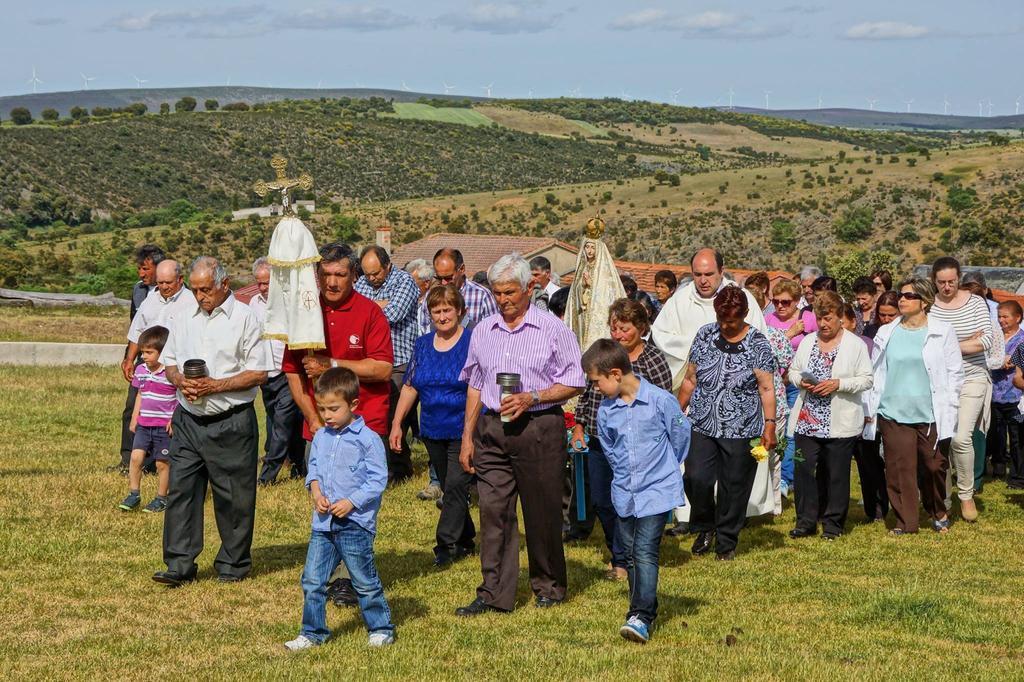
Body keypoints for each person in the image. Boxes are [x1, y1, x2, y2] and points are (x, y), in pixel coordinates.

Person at [454, 254, 585, 616]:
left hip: (538, 426)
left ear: (530, 288)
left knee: (541, 511)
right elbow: (476, 385)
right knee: (493, 512)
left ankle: (549, 585)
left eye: (510, 292)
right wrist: (468, 436)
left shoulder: (552, 328)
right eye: (497, 293)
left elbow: (575, 380)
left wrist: (535, 396)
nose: (503, 300)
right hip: (493, 428)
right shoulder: (483, 330)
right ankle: (493, 592)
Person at [154, 256, 271, 586]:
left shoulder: (245, 318)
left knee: (233, 496)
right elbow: (170, 362)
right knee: (182, 491)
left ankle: (233, 564)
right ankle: (179, 564)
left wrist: (215, 385)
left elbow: (259, 372)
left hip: (230, 420)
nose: (199, 296)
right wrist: (180, 382)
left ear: (224, 284)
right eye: (194, 290)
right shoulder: (182, 317)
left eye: (205, 289)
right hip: (189, 419)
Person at [583, 339, 690, 644]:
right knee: (629, 553)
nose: (594, 389)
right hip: (624, 492)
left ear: (615, 373)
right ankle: (639, 607)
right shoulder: (606, 410)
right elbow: (608, 444)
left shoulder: (660, 401)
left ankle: (642, 615)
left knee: (645, 550)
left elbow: (680, 436)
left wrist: (665, 468)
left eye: (596, 381)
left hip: (656, 489)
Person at [284, 368, 395, 651]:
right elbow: (315, 469)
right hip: (323, 524)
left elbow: (378, 479)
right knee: (312, 580)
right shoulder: (321, 437)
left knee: (364, 580)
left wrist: (351, 502)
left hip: (354, 524)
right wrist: (316, 492)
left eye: (334, 408)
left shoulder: (367, 439)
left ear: (353, 405)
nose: (327, 415)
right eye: (322, 409)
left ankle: (381, 628)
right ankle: (312, 632)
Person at [571, 299, 673, 573]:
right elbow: (587, 395)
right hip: (598, 440)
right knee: (603, 501)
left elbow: (664, 404)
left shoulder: (652, 360)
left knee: (632, 502)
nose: (618, 334)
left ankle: (630, 558)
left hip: (636, 447)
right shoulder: (604, 356)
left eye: (624, 328)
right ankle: (619, 552)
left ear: (640, 327)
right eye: (614, 328)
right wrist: (579, 427)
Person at [676, 287, 778, 560]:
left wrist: (770, 425)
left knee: (735, 486)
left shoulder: (758, 343)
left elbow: (766, 388)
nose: (725, 326)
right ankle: (705, 525)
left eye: (731, 321)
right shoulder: (705, 335)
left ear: (744, 315)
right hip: (702, 422)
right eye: (721, 319)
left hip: (742, 427)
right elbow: (690, 379)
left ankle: (726, 541)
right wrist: (676, 413)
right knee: (696, 477)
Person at [865, 276, 962, 535]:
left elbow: (955, 373)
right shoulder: (887, 332)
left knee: (934, 466)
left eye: (909, 296)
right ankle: (906, 522)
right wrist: (871, 407)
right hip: (893, 411)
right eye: (901, 295)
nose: (902, 300)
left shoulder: (943, 330)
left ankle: (937, 509)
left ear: (925, 301)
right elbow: (876, 372)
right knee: (899, 468)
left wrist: (951, 408)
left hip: (931, 412)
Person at [390, 285, 476, 567]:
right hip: (431, 429)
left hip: (463, 429)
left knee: (453, 486)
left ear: (460, 311)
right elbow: (411, 385)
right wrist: (397, 423)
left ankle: (446, 545)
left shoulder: (473, 341)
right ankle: (466, 538)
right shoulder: (423, 345)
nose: (442, 316)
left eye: (447, 310)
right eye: (436, 311)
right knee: (453, 488)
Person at [786, 292, 873, 540]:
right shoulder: (807, 342)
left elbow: (867, 379)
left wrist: (838, 383)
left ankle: (833, 524)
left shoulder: (854, 345)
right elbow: (792, 371)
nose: (823, 324)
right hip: (807, 419)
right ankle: (805, 521)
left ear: (840, 318)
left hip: (840, 421)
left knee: (836, 473)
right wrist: (800, 380)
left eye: (828, 318)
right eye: (819, 318)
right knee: (804, 471)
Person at [929, 257, 992, 521]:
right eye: (941, 282)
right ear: (934, 281)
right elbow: (927, 344)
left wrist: (948, 344)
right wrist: (964, 341)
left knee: (961, 438)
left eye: (951, 281)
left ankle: (966, 495)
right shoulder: (929, 307)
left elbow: (986, 340)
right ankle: (942, 498)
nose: (946, 287)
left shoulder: (976, 303)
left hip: (973, 377)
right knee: (941, 440)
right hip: (940, 381)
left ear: (959, 278)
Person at [652, 248, 767, 390]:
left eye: (709, 274)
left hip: (735, 388)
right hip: (691, 388)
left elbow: (758, 343)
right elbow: (660, 336)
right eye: (698, 274)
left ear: (721, 271)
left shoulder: (742, 299)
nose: (703, 281)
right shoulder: (679, 300)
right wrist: (697, 347)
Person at [355, 245, 421, 485]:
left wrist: (370, 309)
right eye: (367, 274)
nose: (371, 279)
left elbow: (393, 313)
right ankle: (376, 467)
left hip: (399, 361)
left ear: (388, 266)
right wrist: (378, 305)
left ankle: (399, 471)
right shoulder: (362, 283)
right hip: (370, 361)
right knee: (371, 417)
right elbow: (354, 313)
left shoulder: (405, 282)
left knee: (394, 418)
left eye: (376, 274)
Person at [250, 258, 306, 485]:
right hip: (266, 373)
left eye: (267, 283)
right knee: (283, 422)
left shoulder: (288, 301)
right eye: (259, 283)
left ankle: (267, 476)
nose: (263, 288)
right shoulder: (253, 304)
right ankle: (299, 466)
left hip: (288, 372)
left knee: (281, 425)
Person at [115, 244, 165, 474]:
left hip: (166, 361)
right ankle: (128, 458)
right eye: (139, 268)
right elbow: (135, 328)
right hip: (142, 359)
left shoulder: (181, 293)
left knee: (160, 410)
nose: (141, 274)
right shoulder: (138, 291)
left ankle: (156, 460)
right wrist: (129, 358)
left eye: (145, 269)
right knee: (132, 407)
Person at [765, 278, 816, 496]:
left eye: (785, 302)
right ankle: (771, 476)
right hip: (774, 383)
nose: (780, 306)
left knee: (792, 430)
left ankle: (786, 477)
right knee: (773, 428)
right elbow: (767, 349)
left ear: (797, 301)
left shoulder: (809, 319)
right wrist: (789, 334)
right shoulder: (768, 320)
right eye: (776, 301)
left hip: (797, 383)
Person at [118, 325, 175, 514]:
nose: (143, 356)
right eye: (142, 352)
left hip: (163, 428)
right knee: (135, 458)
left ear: (163, 352)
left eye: (149, 352)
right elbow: (141, 394)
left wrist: (174, 420)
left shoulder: (171, 373)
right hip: (144, 424)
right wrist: (135, 419)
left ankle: (161, 497)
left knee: (162, 463)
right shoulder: (141, 370)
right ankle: (134, 494)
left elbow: (179, 398)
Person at [565, 235, 626, 354]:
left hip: (595, 314)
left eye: (593, 247)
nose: (589, 251)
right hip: (582, 313)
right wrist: (583, 285)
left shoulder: (603, 270)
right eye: (587, 247)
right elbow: (574, 293)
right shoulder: (582, 268)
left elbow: (604, 292)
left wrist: (591, 285)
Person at [417, 248, 498, 336]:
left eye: (448, 278)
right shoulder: (431, 296)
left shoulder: (482, 296)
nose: (443, 283)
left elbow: (492, 334)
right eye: (439, 278)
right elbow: (424, 330)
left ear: (462, 269)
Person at [988, 301, 1024, 481]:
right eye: (999, 316)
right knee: (996, 434)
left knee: (1017, 437)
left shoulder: (1022, 340)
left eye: (1005, 316)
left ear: (1017, 318)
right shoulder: (994, 338)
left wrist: (1012, 359)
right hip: (994, 394)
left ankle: (1018, 475)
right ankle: (998, 468)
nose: (1001, 320)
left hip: (1016, 396)